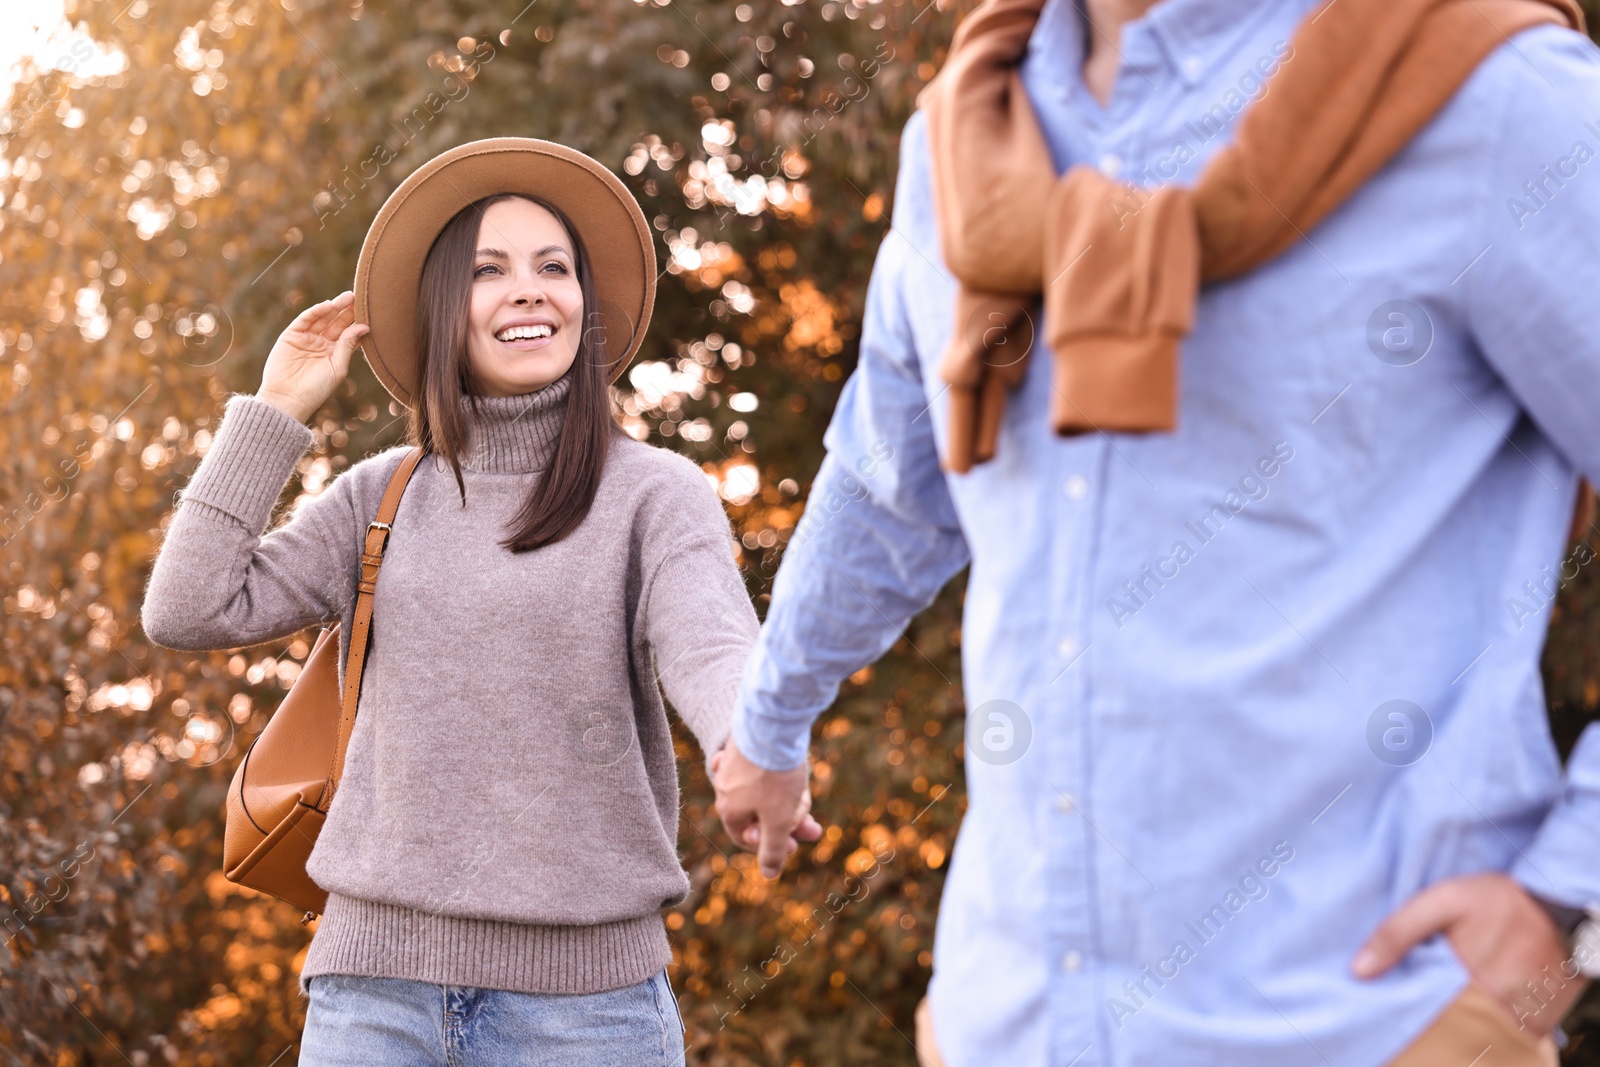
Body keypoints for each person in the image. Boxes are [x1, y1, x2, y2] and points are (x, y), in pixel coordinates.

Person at [710, 0, 1600, 1064]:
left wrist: (1570, 905)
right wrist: (768, 724)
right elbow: (889, 489)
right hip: (1005, 1022)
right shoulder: (959, 136)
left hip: (1372, 1027)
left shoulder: (1495, 99)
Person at [140, 137, 819, 1067]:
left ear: (586, 305)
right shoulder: (382, 493)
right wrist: (274, 409)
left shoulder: (654, 495)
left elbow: (712, 645)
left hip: (587, 1017)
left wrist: (755, 745)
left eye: (554, 267)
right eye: (488, 271)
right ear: (443, 312)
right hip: (371, 1002)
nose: (530, 289)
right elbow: (187, 608)